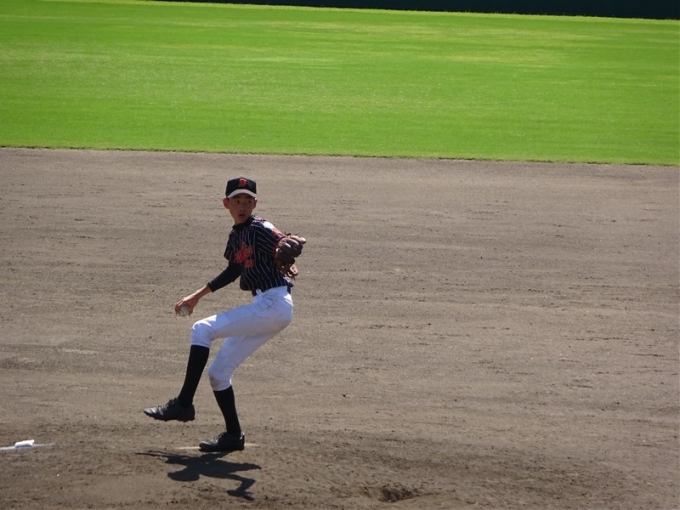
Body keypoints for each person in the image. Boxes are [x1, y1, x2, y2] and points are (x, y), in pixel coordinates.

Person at [144, 176, 305, 453]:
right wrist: (197, 296)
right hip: (268, 307)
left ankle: (183, 403)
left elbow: (281, 238)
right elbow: (234, 270)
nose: (242, 206)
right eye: (236, 200)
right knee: (219, 373)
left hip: (273, 303)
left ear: (255, 203)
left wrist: (286, 244)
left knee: (202, 329)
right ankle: (233, 435)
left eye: (247, 201)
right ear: (225, 203)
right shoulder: (236, 236)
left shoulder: (259, 227)